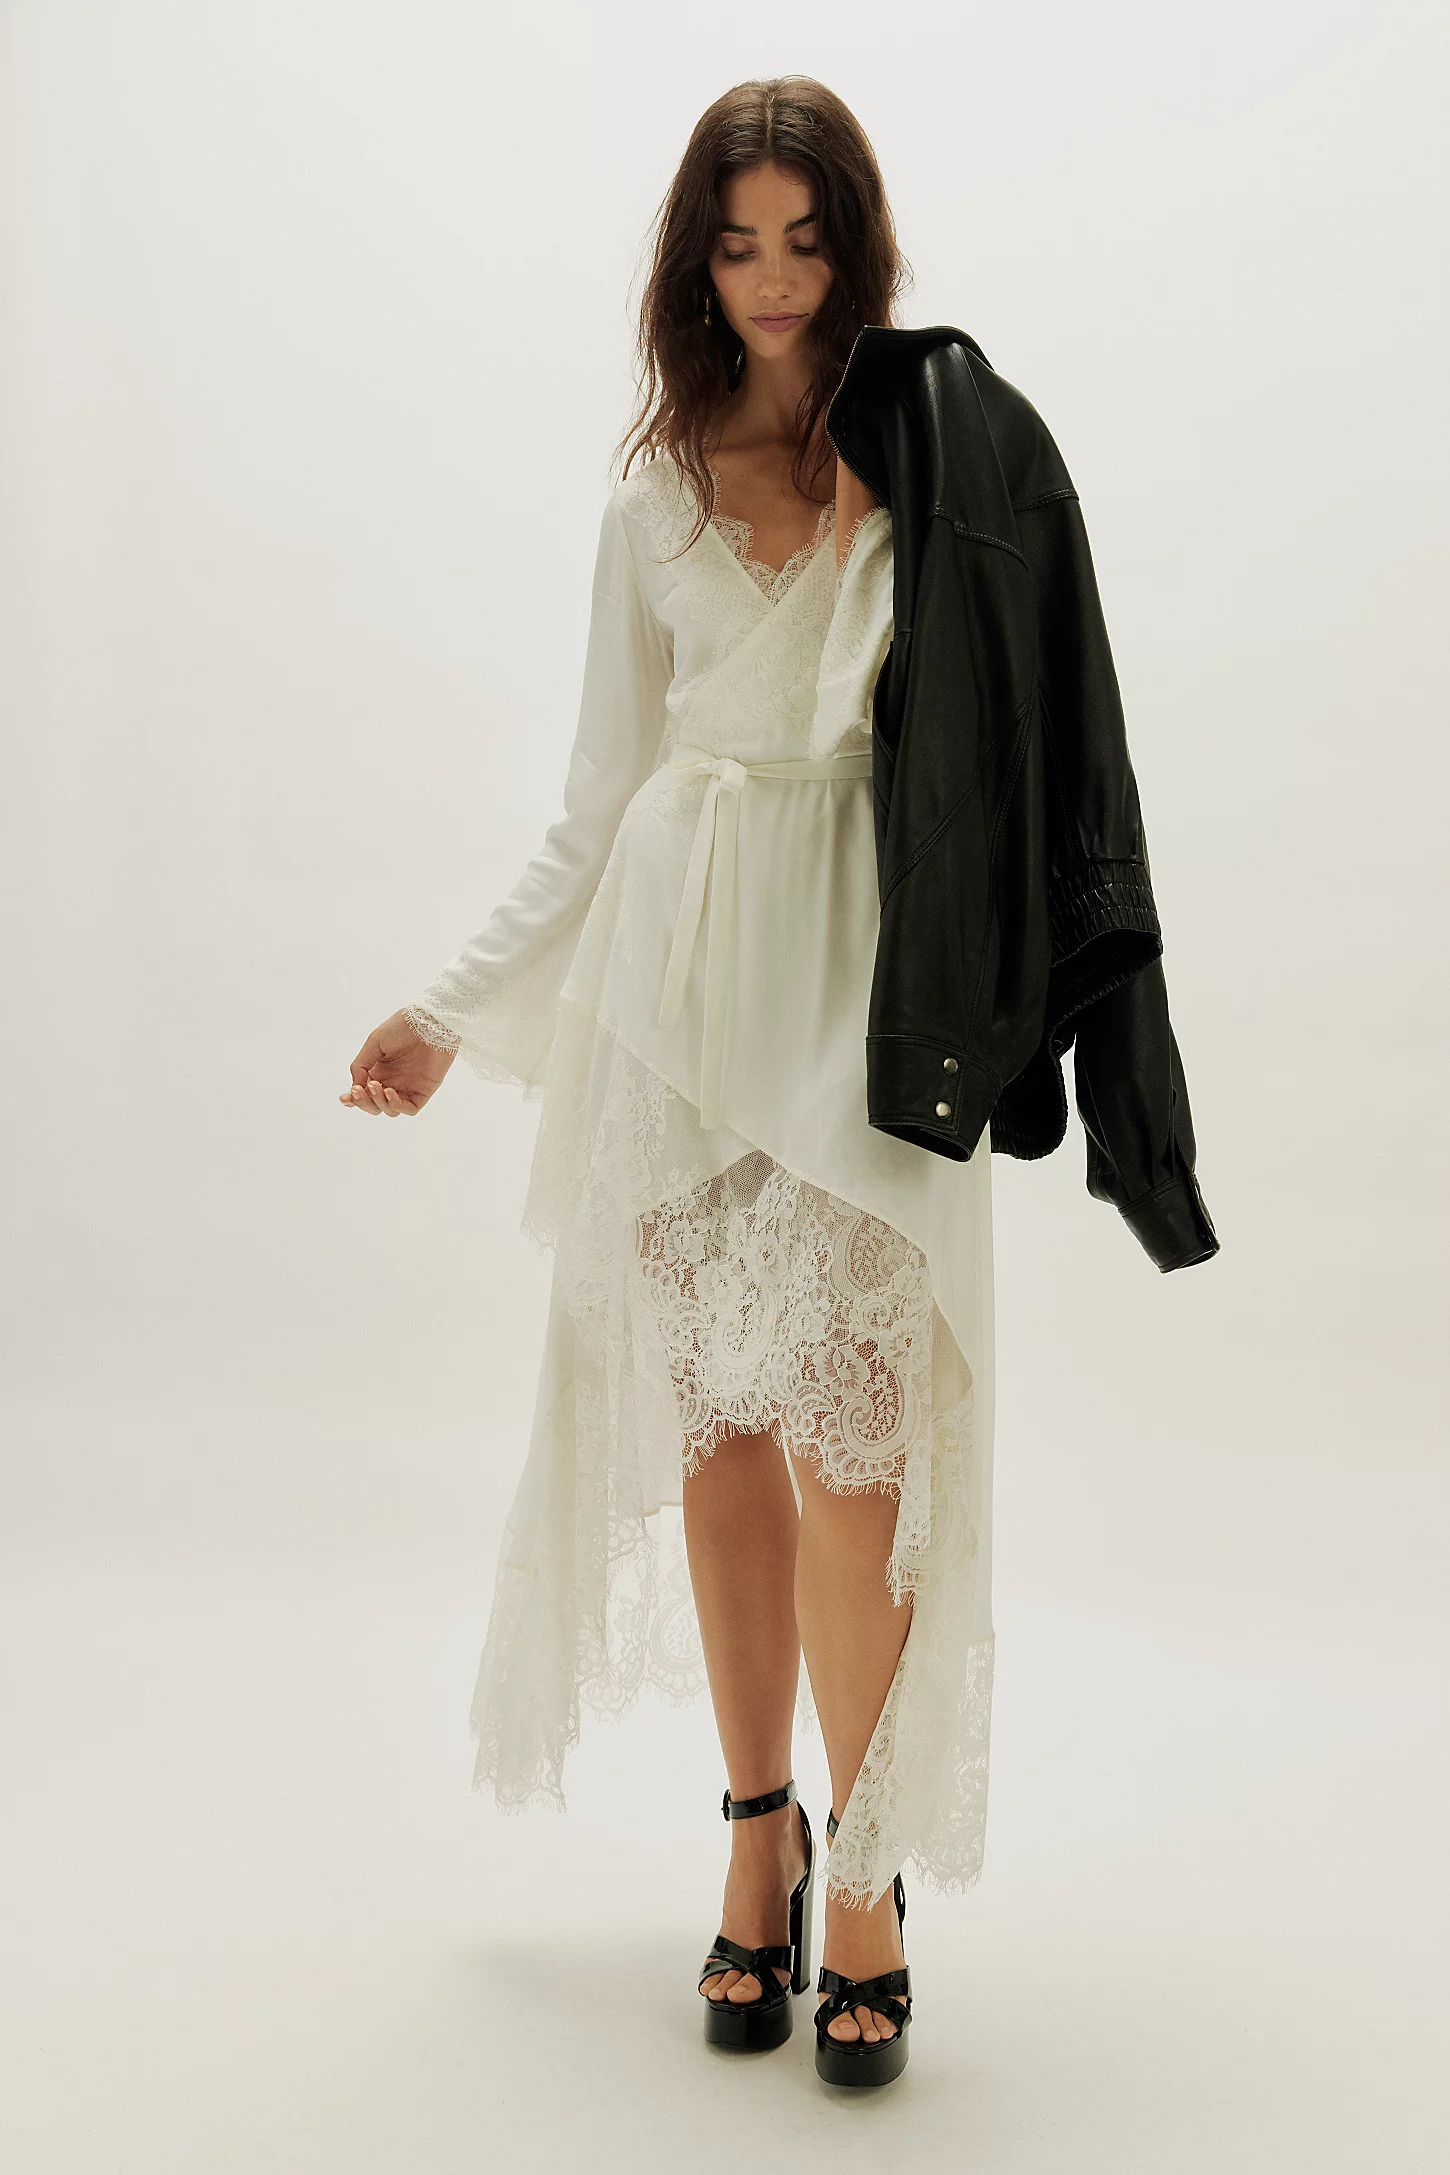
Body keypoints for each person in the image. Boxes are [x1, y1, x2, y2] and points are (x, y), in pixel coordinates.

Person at [342, 77, 995, 2089]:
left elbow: (1008, 742)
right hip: (678, 999)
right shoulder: (651, 498)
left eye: (804, 238)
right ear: (692, 265)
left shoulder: (930, 457)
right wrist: (445, 1007)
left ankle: (866, 1873)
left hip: (862, 999)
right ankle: (753, 1837)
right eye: (736, 243)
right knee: (722, 1434)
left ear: (853, 248)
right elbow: (594, 798)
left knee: (856, 1453)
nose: (773, 277)